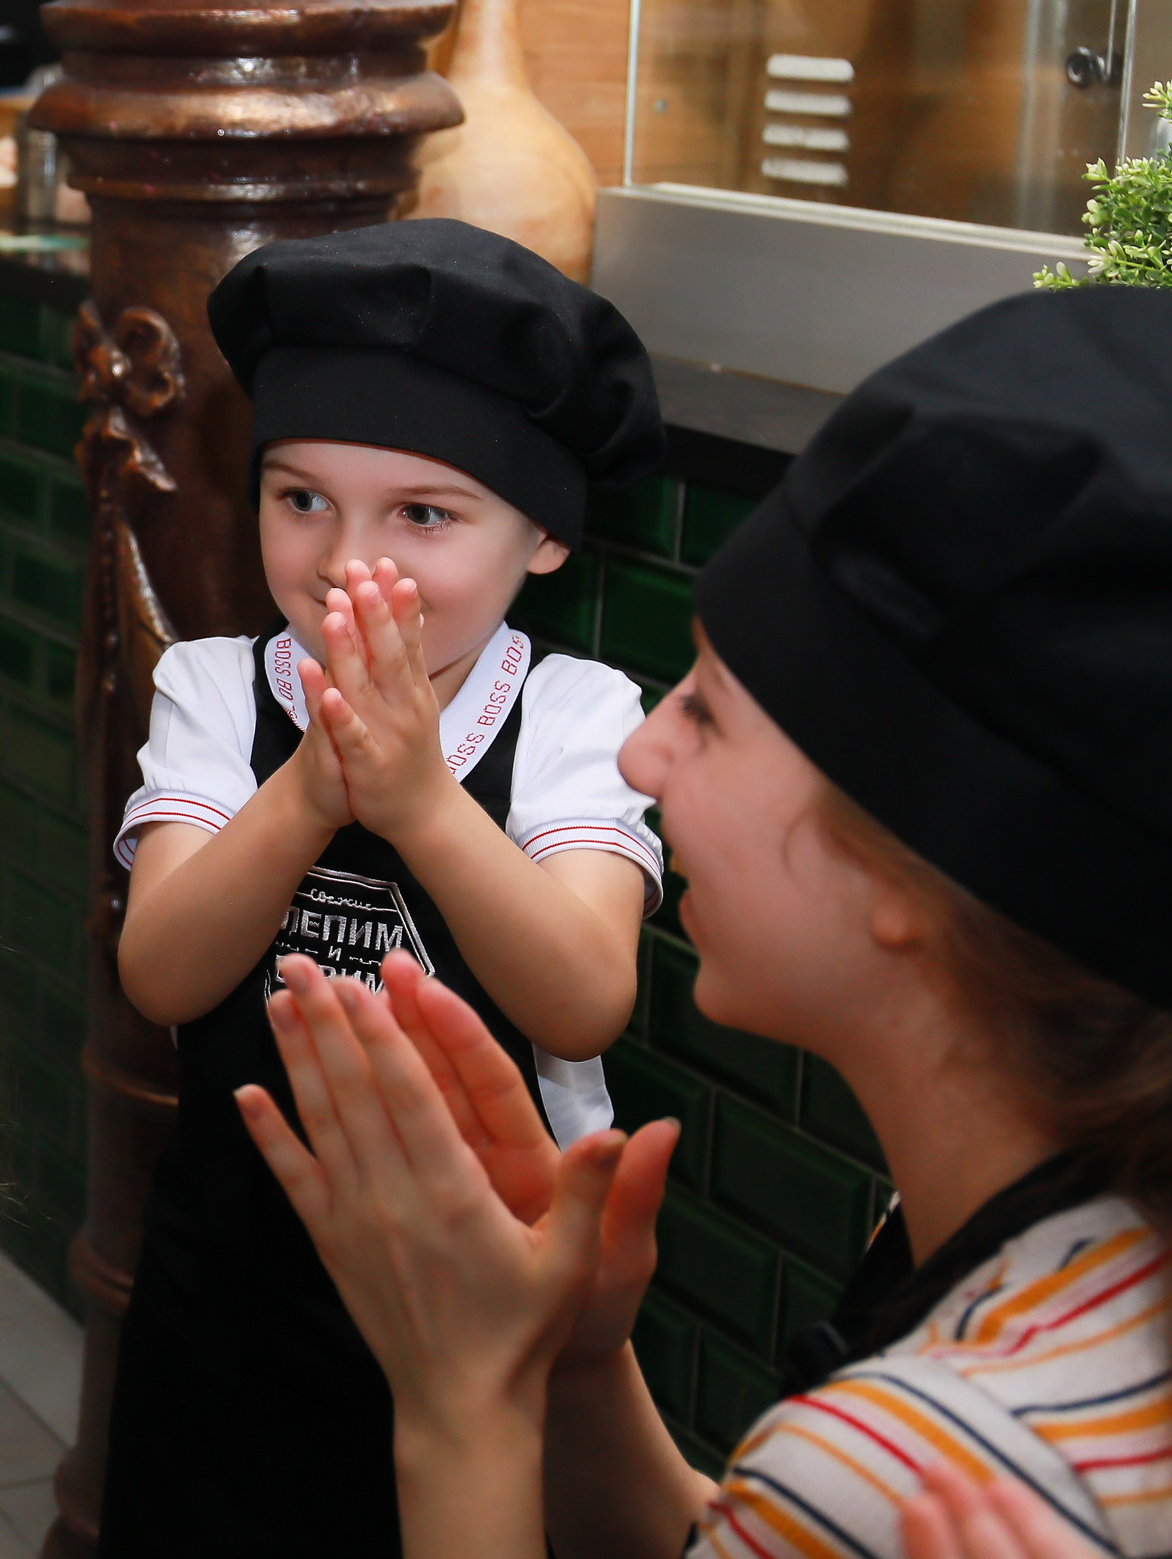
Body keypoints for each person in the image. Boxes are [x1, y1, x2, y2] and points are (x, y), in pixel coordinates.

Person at [238, 286, 1172, 1559]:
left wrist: (462, 1404)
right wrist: (573, 1361)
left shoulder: (911, 1467)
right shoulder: (1038, 1234)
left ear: (907, 865)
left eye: (711, 712)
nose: (640, 753)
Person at [100, 220, 669, 1556]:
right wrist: (309, 786)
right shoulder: (217, 690)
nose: (351, 560)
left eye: (422, 511)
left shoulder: (577, 714)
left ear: (542, 537)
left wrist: (417, 797)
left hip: (481, 1295)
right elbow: (163, 971)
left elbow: (584, 999)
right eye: (302, 498)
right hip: (229, 1276)